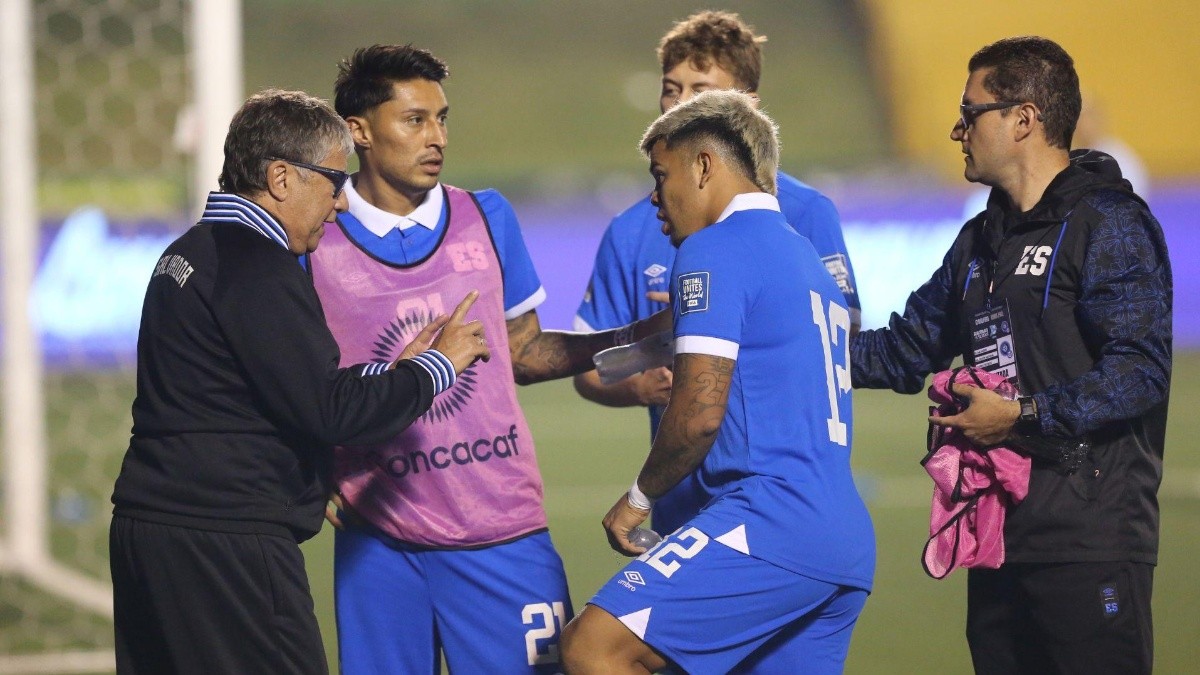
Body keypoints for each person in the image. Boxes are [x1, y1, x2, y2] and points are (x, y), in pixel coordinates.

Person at [311, 44, 668, 674]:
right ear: (360, 132)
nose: (436, 137)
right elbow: (291, 377)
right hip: (377, 542)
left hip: (500, 529)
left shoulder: (485, 216)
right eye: (414, 119)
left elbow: (524, 354)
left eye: (442, 118)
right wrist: (306, 470)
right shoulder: (316, 237)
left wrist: (642, 339)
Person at [108, 89, 490, 674]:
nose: (339, 204)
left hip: (152, 531)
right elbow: (329, 412)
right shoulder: (258, 266)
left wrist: (392, 372)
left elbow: (267, 384)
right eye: (334, 182)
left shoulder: (189, 253)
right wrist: (438, 367)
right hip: (226, 540)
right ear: (282, 177)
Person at [851, 36, 1171, 674]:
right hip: (998, 541)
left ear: (1023, 118)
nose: (957, 130)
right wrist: (774, 351)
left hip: (1090, 540)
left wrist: (1019, 415)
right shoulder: (979, 238)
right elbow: (903, 350)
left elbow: (1140, 371)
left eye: (971, 114)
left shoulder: (1107, 223)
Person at [560, 90, 875, 674]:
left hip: (770, 522)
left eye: (661, 174)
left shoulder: (715, 250)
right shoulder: (805, 257)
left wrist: (637, 501)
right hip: (842, 538)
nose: (655, 197)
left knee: (592, 646)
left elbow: (700, 412)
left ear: (703, 164)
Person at [572, 10, 861, 537]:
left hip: (778, 493)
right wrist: (640, 383)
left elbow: (845, 337)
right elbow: (591, 367)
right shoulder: (633, 228)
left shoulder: (803, 210)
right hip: (680, 497)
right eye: (670, 88)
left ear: (745, 105)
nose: (679, 104)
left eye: (700, 92)